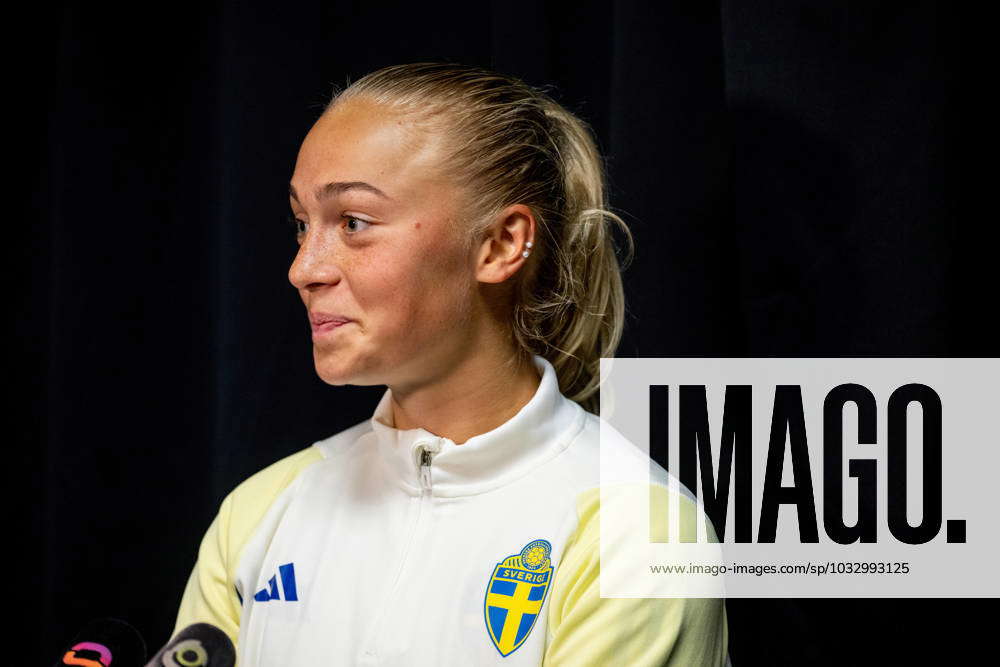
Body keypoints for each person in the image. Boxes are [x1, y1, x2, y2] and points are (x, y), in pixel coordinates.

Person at [173, 62, 728, 665]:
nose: (304, 268)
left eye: (353, 223)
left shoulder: (634, 530)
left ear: (500, 244)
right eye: (302, 224)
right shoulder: (262, 509)